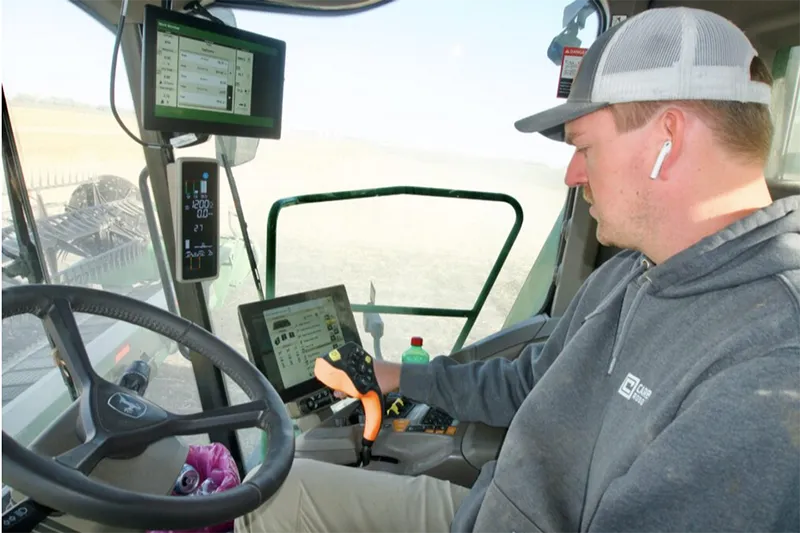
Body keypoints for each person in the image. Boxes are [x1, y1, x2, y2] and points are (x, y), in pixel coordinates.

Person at [236, 7, 800, 533]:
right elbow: (531, 383)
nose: (573, 174)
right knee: (281, 491)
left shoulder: (770, 363)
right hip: (490, 507)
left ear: (667, 140)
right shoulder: (630, 275)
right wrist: (395, 375)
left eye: (585, 146)